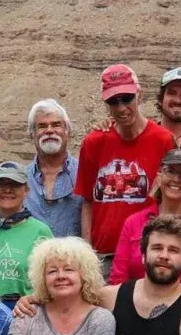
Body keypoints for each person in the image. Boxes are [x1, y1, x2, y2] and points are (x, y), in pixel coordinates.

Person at [75, 64, 175, 275]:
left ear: (139, 95)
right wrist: (87, 253)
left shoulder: (163, 140)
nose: (121, 108)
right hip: (102, 256)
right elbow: (87, 200)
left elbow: (169, 198)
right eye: (113, 101)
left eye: (126, 98)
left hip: (146, 252)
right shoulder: (94, 142)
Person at [110, 149, 181, 302]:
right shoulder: (134, 222)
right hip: (136, 309)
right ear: (159, 176)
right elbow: (118, 276)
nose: (176, 179)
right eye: (170, 171)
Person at [0, 162, 53, 306]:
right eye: (1, 184)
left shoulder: (41, 232)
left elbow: (50, 282)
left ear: (26, 190)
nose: (7, 190)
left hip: (22, 315)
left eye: (15, 185)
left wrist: (29, 300)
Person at [23, 99, 84, 239]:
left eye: (56, 125)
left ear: (67, 132)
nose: (49, 130)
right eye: (42, 126)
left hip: (74, 258)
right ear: (32, 134)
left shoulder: (85, 172)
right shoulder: (20, 179)